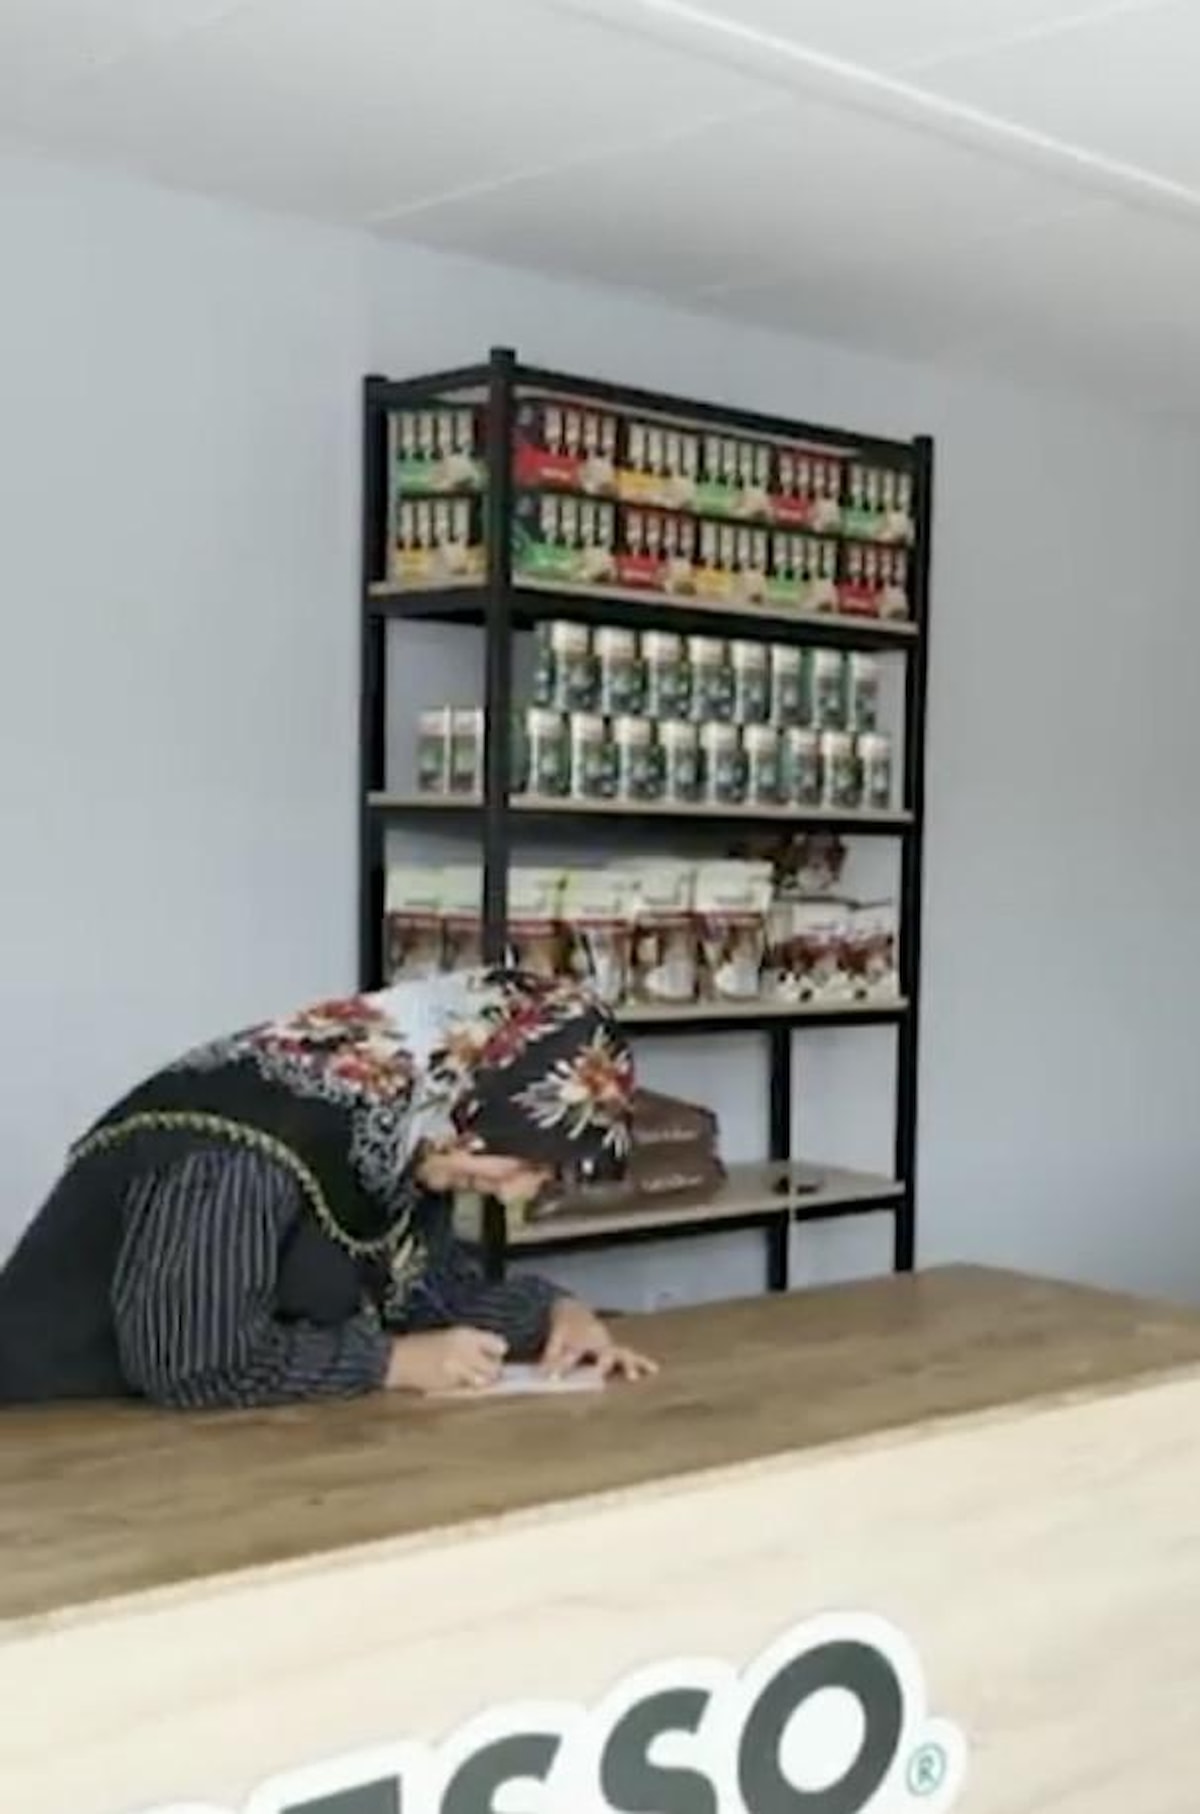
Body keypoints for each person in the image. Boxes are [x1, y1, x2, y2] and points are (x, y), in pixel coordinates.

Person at [0, 969, 656, 1408]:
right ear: (462, 1099)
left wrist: (554, 1318)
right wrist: (392, 1364)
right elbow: (192, 1361)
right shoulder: (237, 1145)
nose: (513, 1196)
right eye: (518, 1166)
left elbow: (421, 1296)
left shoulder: (397, 1127)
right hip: (57, 1454)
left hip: (193, 1459)